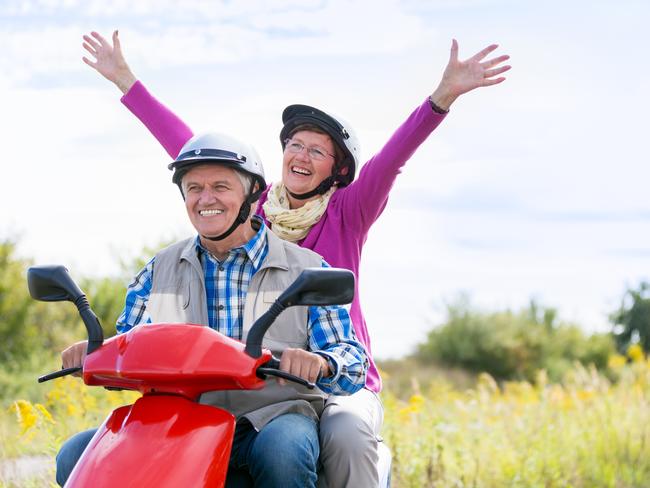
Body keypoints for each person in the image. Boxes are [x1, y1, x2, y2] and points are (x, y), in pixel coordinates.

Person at [81, 30, 511, 487]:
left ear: (337, 169)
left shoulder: (350, 210)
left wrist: (441, 98)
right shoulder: (252, 207)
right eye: (295, 144)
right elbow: (195, 156)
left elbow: (392, 160)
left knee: (343, 434)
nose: (301, 155)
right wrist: (127, 82)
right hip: (248, 380)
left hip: (332, 372)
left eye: (317, 150)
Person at [55, 132, 368, 488]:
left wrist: (324, 362)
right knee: (74, 454)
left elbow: (351, 359)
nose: (206, 199)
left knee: (284, 450)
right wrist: (97, 355)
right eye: (194, 188)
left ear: (253, 195)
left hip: (272, 415)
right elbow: (129, 346)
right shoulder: (158, 269)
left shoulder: (307, 268)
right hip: (179, 420)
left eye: (221, 186)